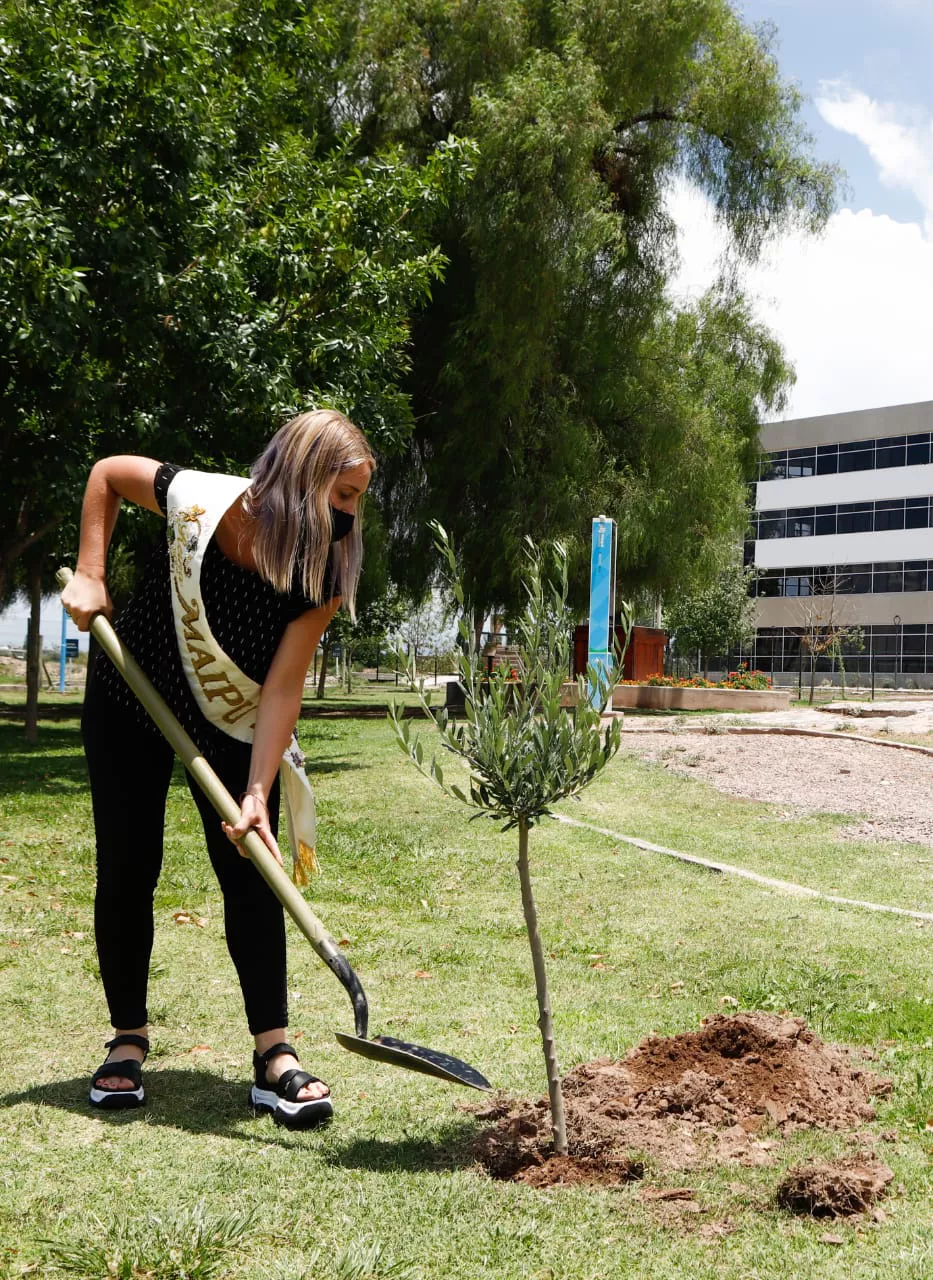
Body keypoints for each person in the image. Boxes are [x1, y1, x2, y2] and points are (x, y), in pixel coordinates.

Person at [62, 409, 374, 1128]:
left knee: (251, 868)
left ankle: (274, 1057)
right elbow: (109, 472)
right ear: (302, 479)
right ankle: (127, 1041)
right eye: (346, 495)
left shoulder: (323, 566)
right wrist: (90, 570)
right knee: (128, 865)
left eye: (358, 497)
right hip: (129, 691)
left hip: (231, 713)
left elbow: (283, 686)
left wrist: (258, 790)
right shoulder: (202, 500)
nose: (352, 515)